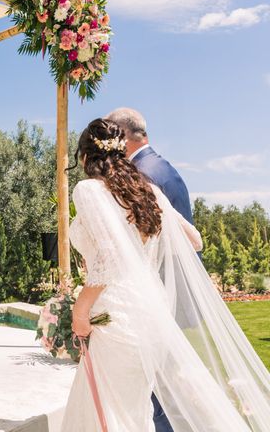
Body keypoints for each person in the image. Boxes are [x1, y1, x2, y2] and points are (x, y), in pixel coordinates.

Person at [60, 119, 270, 431]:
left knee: (108, 408)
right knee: (131, 408)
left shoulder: (88, 190)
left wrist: (80, 309)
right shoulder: (147, 191)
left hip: (115, 313)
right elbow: (194, 239)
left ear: (85, 157)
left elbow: (107, 258)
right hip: (150, 313)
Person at [105, 106, 192, 431]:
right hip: (170, 293)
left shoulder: (142, 176)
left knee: (157, 396)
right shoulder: (163, 167)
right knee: (166, 390)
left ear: (122, 137)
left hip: (155, 299)